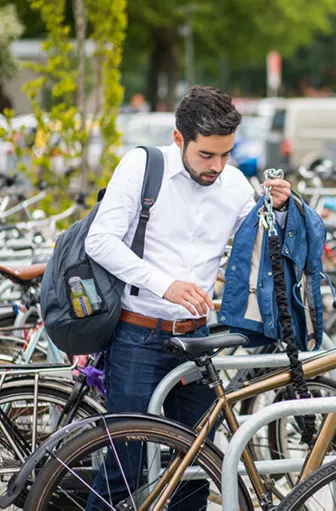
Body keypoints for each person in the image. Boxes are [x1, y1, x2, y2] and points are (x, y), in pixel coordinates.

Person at [83, 85, 291, 508]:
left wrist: (280, 210)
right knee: (126, 468)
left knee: (193, 471)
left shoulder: (233, 184)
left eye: (225, 154)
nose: (217, 166)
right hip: (138, 335)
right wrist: (165, 284)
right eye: (206, 155)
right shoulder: (142, 166)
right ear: (180, 139)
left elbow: (259, 244)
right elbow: (99, 241)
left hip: (198, 341)